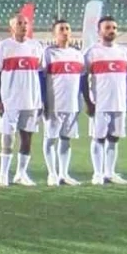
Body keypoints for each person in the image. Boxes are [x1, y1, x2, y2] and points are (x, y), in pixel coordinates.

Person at [0, 15, 45, 187]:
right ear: (12, 28)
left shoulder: (36, 46)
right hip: (10, 100)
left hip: (31, 100)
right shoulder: (3, 47)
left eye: (25, 23)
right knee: (7, 137)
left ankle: (21, 174)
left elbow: (41, 75)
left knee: (27, 137)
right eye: (19, 23)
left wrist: (42, 99)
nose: (23, 26)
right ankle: (3, 174)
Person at [82, 16, 127, 185]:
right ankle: (97, 174)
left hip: (119, 103)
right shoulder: (92, 52)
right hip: (100, 103)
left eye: (114, 28)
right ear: (99, 31)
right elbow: (83, 78)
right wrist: (88, 102)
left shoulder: (124, 52)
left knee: (114, 138)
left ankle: (109, 173)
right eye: (108, 28)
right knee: (98, 138)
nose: (111, 31)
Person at [42, 19, 84, 185]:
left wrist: (81, 100)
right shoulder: (48, 53)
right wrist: (43, 100)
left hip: (72, 104)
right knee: (50, 138)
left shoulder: (77, 54)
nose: (65, 32)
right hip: (54, 104)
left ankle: (64, 174)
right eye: (61, 29)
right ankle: (52, 174)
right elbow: (41, 78)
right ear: (54, 33)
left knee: (66, 139)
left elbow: (81, 79)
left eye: (67, 28)